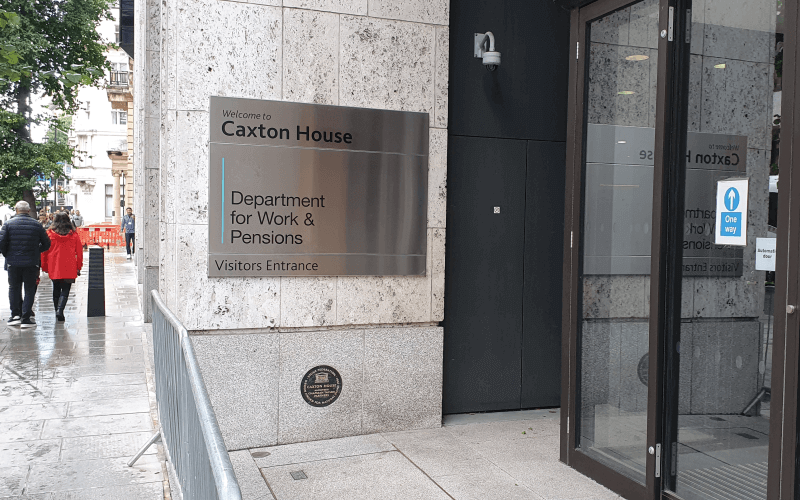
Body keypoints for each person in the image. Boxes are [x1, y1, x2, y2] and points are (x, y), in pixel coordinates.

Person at [0, 201, 51, 327]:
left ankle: (15, 315)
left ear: (16, 210)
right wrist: (35, 251)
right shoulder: (36, 225)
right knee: (29, 289)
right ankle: (26, 317)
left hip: (13, 262)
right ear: (28, 211)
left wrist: (8, 254)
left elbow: (1, 243)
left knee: (14, 288)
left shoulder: (8, 224)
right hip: (31, 262)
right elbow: (47, 244)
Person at [41, 213, 82, 321]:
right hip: (70, 265)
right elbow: (79, 252)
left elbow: (44, 252)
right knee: (66, 289)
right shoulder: (73, 234)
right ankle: (60, 310)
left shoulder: (49, 234)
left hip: (54, 265)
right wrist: (79, 266)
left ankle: (56, 310)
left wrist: (44, 265)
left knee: (56, 288)